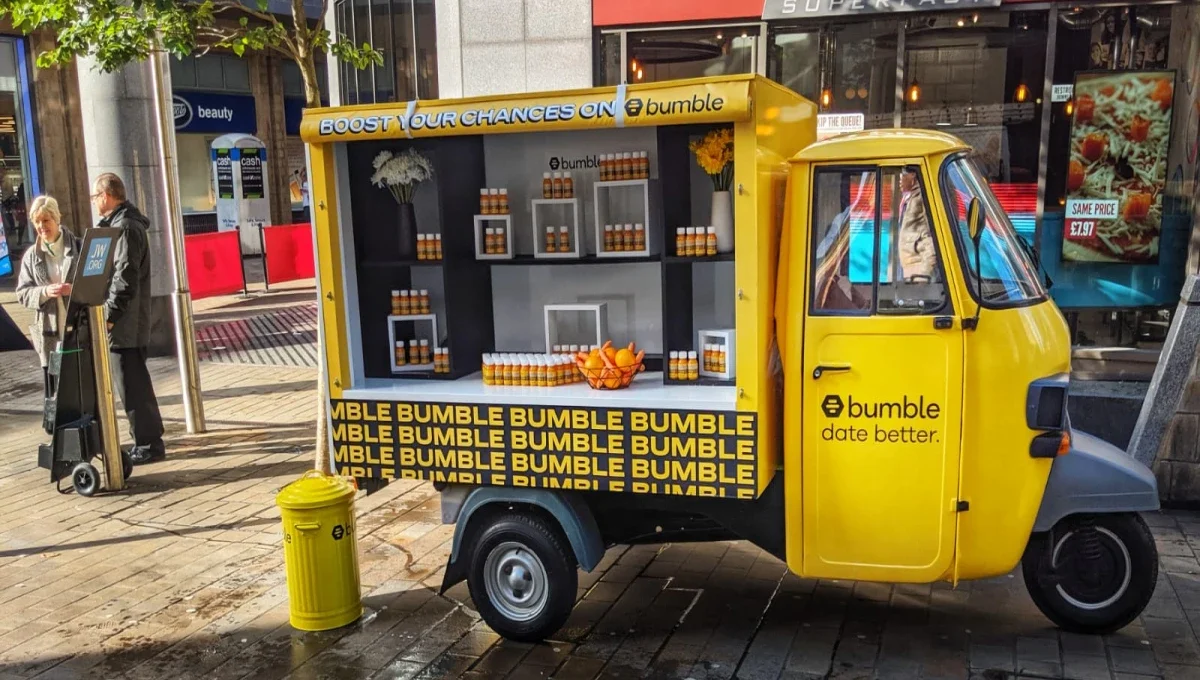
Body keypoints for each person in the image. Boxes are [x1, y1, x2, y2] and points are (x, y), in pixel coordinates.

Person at [91, 173, 167, 464]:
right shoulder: (121, 226)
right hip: (128, 321)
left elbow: (124, 278)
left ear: (106, 196)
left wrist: (108, 317)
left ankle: (148, 444)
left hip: (126, 323)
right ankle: (149, 437)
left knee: (132, 384)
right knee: (135, 382)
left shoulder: (125, 228)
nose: (95, 202)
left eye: (95, 197)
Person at [15, 195, 78, 397]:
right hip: (49, 333)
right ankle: (57, 427)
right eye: (37, 222)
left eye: (46, 220)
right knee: (55, 393)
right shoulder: (31, 256)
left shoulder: (78, 247)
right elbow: (22, 293)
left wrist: (73, 289)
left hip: (77, 329)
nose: (42, 226)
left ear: (57, 219)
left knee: (79, 385)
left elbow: (95, 283)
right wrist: (43, 292)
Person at [896, 168, 937, 282]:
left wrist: (923, 278)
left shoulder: (921, 198)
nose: (900, 178)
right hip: (908, 269)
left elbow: (930, 242)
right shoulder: (908, 197)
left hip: (918, 273)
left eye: (904, 174)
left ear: (913, 175)